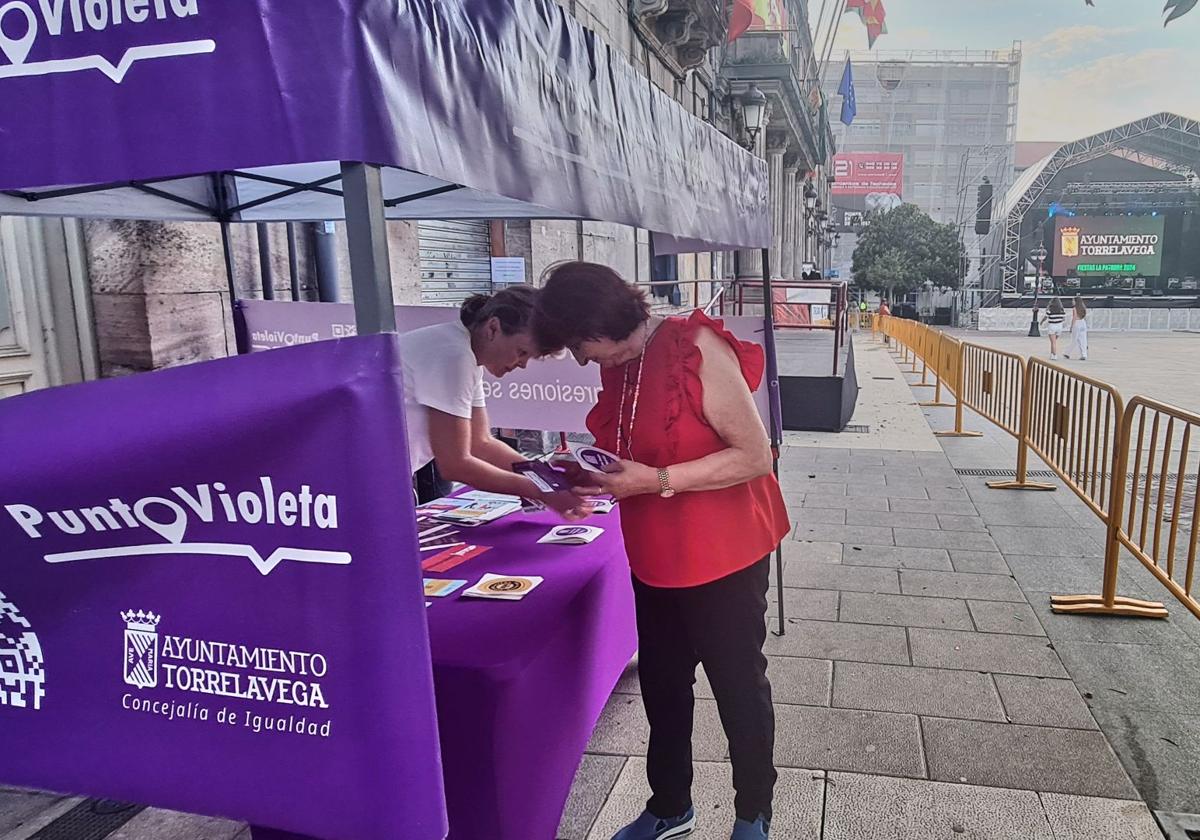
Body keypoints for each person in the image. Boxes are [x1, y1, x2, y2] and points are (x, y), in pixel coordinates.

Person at [534, 262, 790, 840]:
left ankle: (754, 812)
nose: (582, 359)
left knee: (737, 684)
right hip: (654, 550)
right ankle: (671, 804)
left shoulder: (692, 346)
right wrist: (584, 475)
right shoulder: (619, 366)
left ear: (602, 319)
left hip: (723, 550)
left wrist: (654, 481)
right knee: (663, 685)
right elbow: (631, 453)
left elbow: (753, 455)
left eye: (581, 343)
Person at [400, 286, 584, 513]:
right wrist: (541, 490)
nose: (523, 364)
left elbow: (481, 442)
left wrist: (545, 476)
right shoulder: (454, 355)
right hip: (368, 477)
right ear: (493, 327)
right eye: (522, 351)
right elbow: (456, 465)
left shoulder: (461, 348)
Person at [1064, 295, 1089, 361]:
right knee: (1083, 339)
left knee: (1074, 339)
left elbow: (1074, 317)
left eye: (1073, 300)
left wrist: (1071, 327)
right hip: (1083, 322)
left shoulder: (1074, 308)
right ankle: (1084, 354)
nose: (1072, 302)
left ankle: (1067, 352)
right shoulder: (1083, 308)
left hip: (1077, 323)